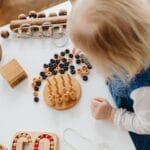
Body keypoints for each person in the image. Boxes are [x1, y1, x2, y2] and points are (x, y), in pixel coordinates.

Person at [67, 0, 150, 149]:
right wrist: (91, 46)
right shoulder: (136, 31)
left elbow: (146, 125)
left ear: (114, 57)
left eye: (95, 56)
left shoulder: (144, 90)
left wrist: (112, 114)